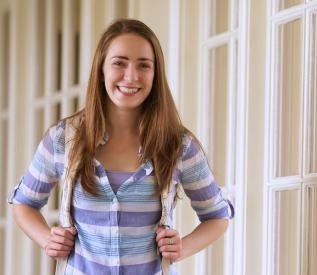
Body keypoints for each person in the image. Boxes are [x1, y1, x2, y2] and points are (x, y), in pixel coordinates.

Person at [8, 19, 233, 275]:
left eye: (144, 65)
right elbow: (24, 203)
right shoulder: (63, 139)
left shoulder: (178, 145)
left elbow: (217, 215)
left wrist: (183, 248)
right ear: (101, 69)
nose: (131, 76)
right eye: (119, 63)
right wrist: (48, 240)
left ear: (155, 74)